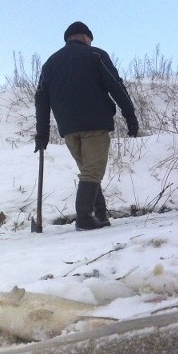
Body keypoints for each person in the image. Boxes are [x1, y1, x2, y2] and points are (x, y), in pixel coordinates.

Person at [34, 21, 139, 230]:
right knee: (92, 171)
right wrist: (130, 115)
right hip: (95, 122)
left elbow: (41, 99)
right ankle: (84, 217)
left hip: (69, 129)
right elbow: (115, 85)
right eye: (90, 39)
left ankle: (99, 215)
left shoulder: (50, 64)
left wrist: (42, 134)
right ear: (84, 37)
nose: (91, 43)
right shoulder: (95, 55)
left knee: (89, 170)